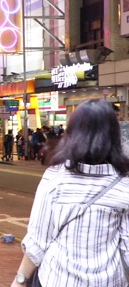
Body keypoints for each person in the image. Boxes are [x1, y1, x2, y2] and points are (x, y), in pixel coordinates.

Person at [11, 99, 129, 287]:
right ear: (113, 135)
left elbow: (38, 240)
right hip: (107, 281)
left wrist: (20, 280)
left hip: (57, 279)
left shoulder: (55, 178)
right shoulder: (123, 183)